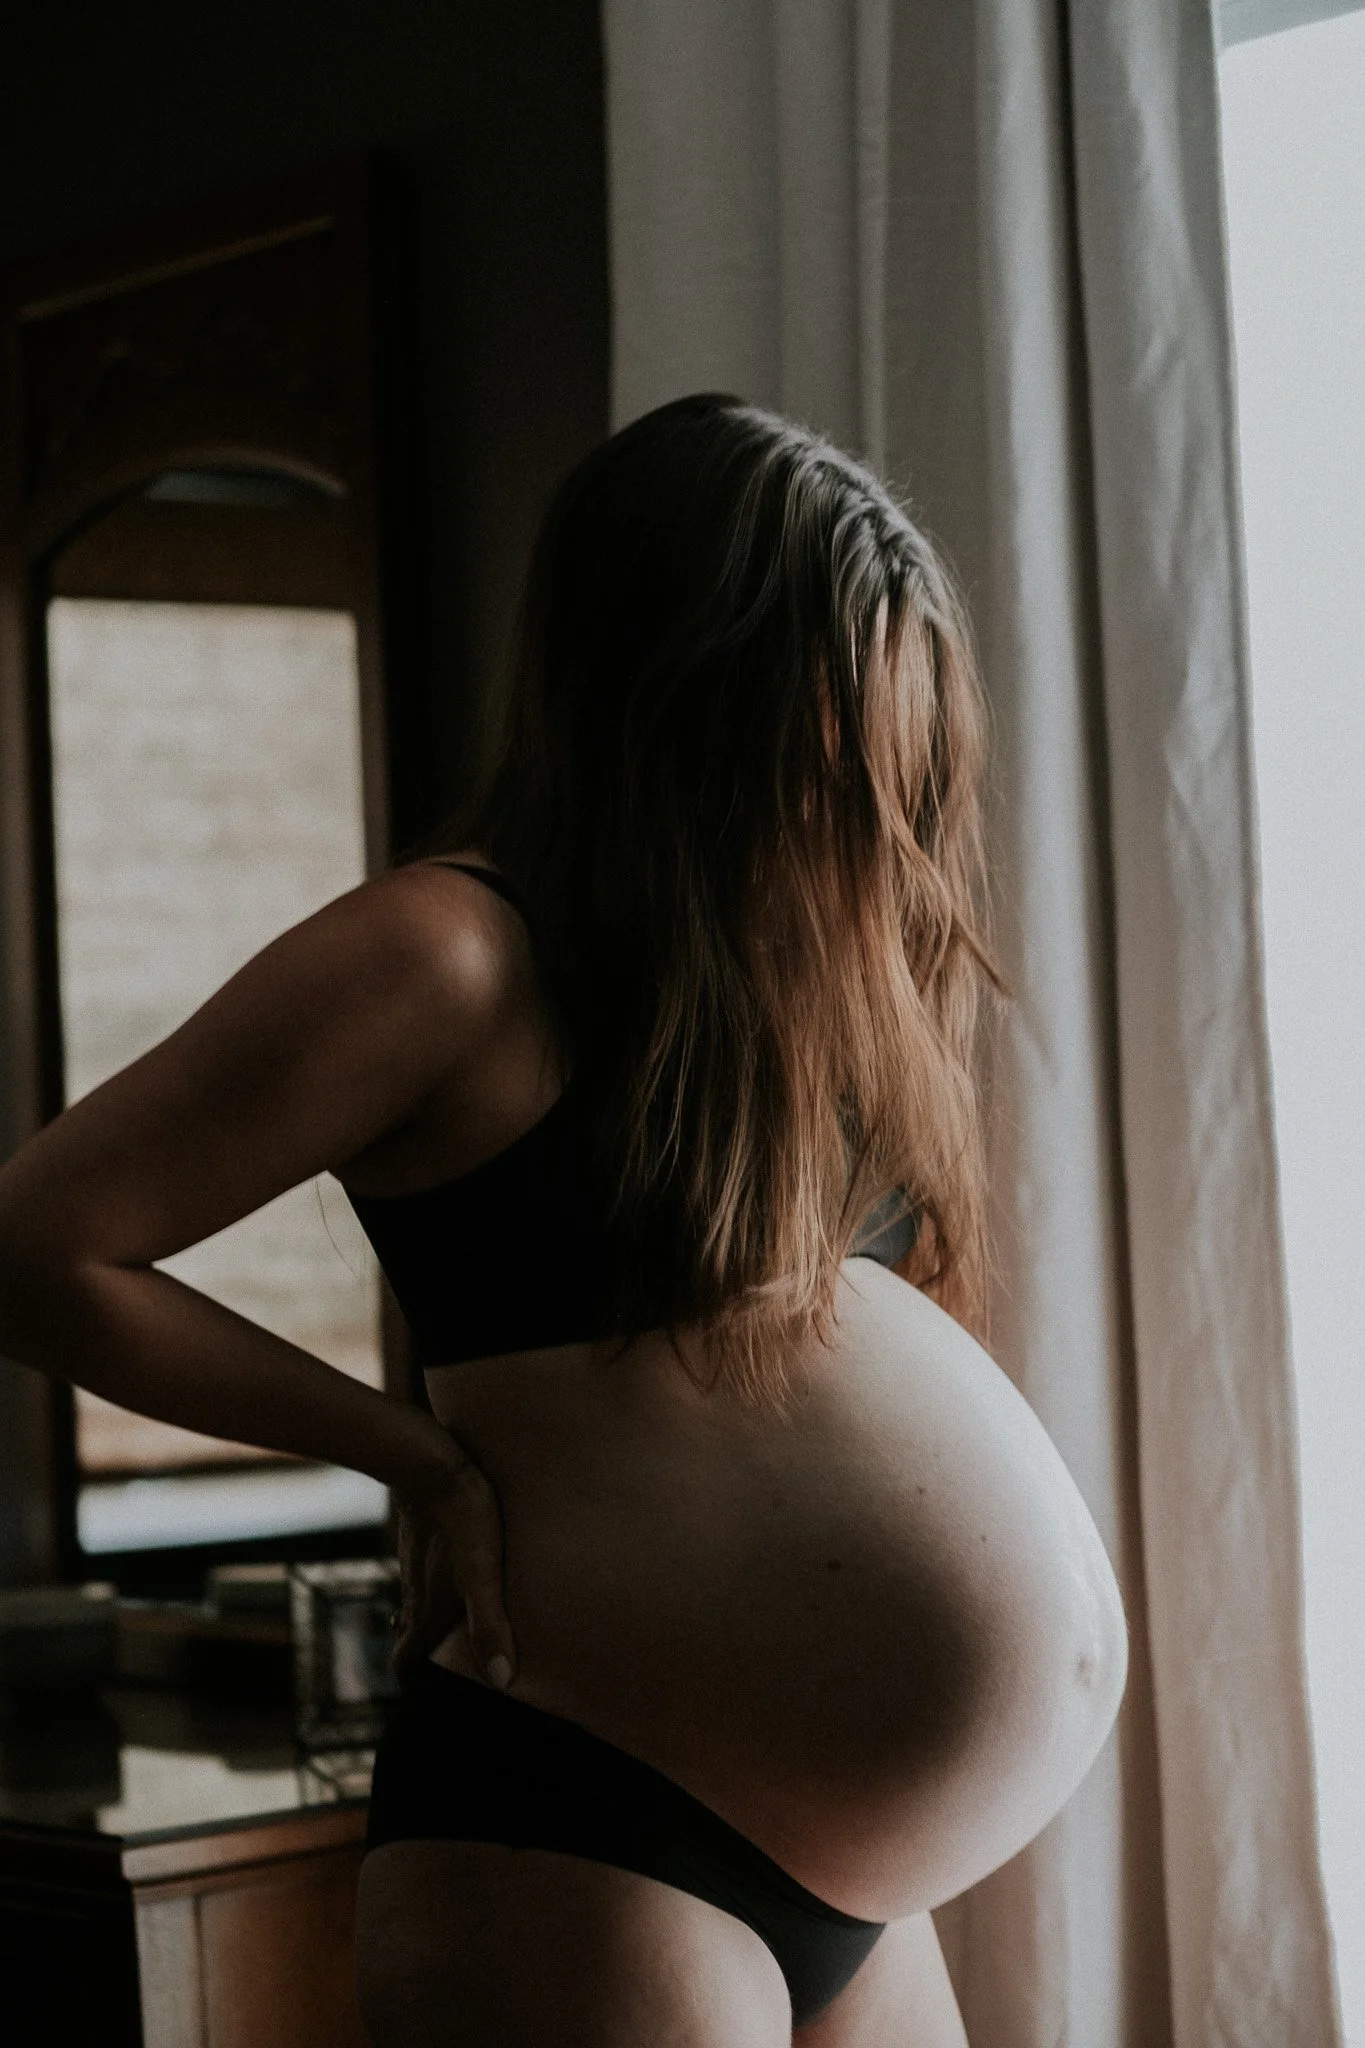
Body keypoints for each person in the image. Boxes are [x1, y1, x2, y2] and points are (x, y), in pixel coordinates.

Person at [0, 395, 1127, 2047]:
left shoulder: (785, 985)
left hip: (851, 1882)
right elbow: (39, 1244)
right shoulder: (448, 954)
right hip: (590, 1831)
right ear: (685, 688)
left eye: (898, 748)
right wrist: (410, 1454)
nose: (865, 794)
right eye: (828, 732)